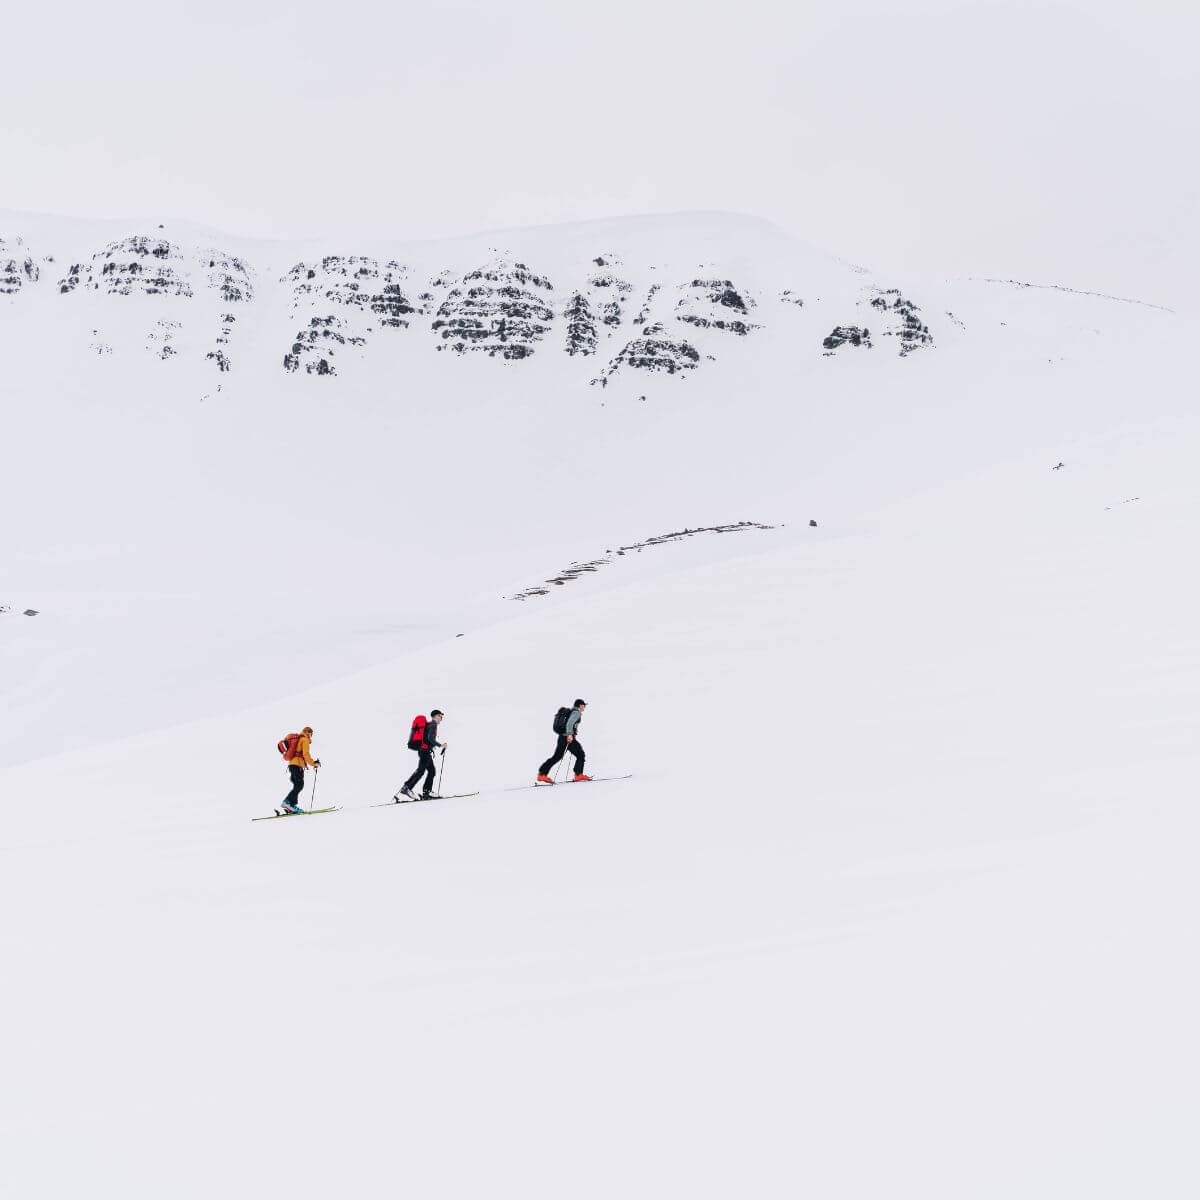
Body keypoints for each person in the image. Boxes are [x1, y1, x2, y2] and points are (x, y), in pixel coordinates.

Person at [537, 699, 592, 783]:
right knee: (580, 754)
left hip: (562, 737)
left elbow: (570, 724)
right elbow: (569, 723)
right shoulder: (576, 713)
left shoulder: (571, 712)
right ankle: (578, 775)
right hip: (567, 737)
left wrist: (573, 730)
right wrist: (570, 734)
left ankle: (542, 774)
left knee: (557, 756)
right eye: (584, 705)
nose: (584, 707)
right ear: (580, 705)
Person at [398, 709, 447, 800]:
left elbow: (427, 739)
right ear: (436, 716)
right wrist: (441, 745)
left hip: (424, 751)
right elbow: (430, 738)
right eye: (440, 716)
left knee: (431, 771)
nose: (441, 718)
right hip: (424, 751)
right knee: (421, 771)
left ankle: (426, 792)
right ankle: (407, 788)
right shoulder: (433, 725)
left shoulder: (429, 725)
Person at [281, 726, 320, 813]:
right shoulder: (304, 740)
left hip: (292, 765)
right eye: (311, 734)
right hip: (297, 765)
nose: (311, 736)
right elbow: (306, 754)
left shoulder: (299, 739)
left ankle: (291, 806)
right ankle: (287, 803)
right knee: (299, 785)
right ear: (309, 733)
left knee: (297, 785)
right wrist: (314, 763)